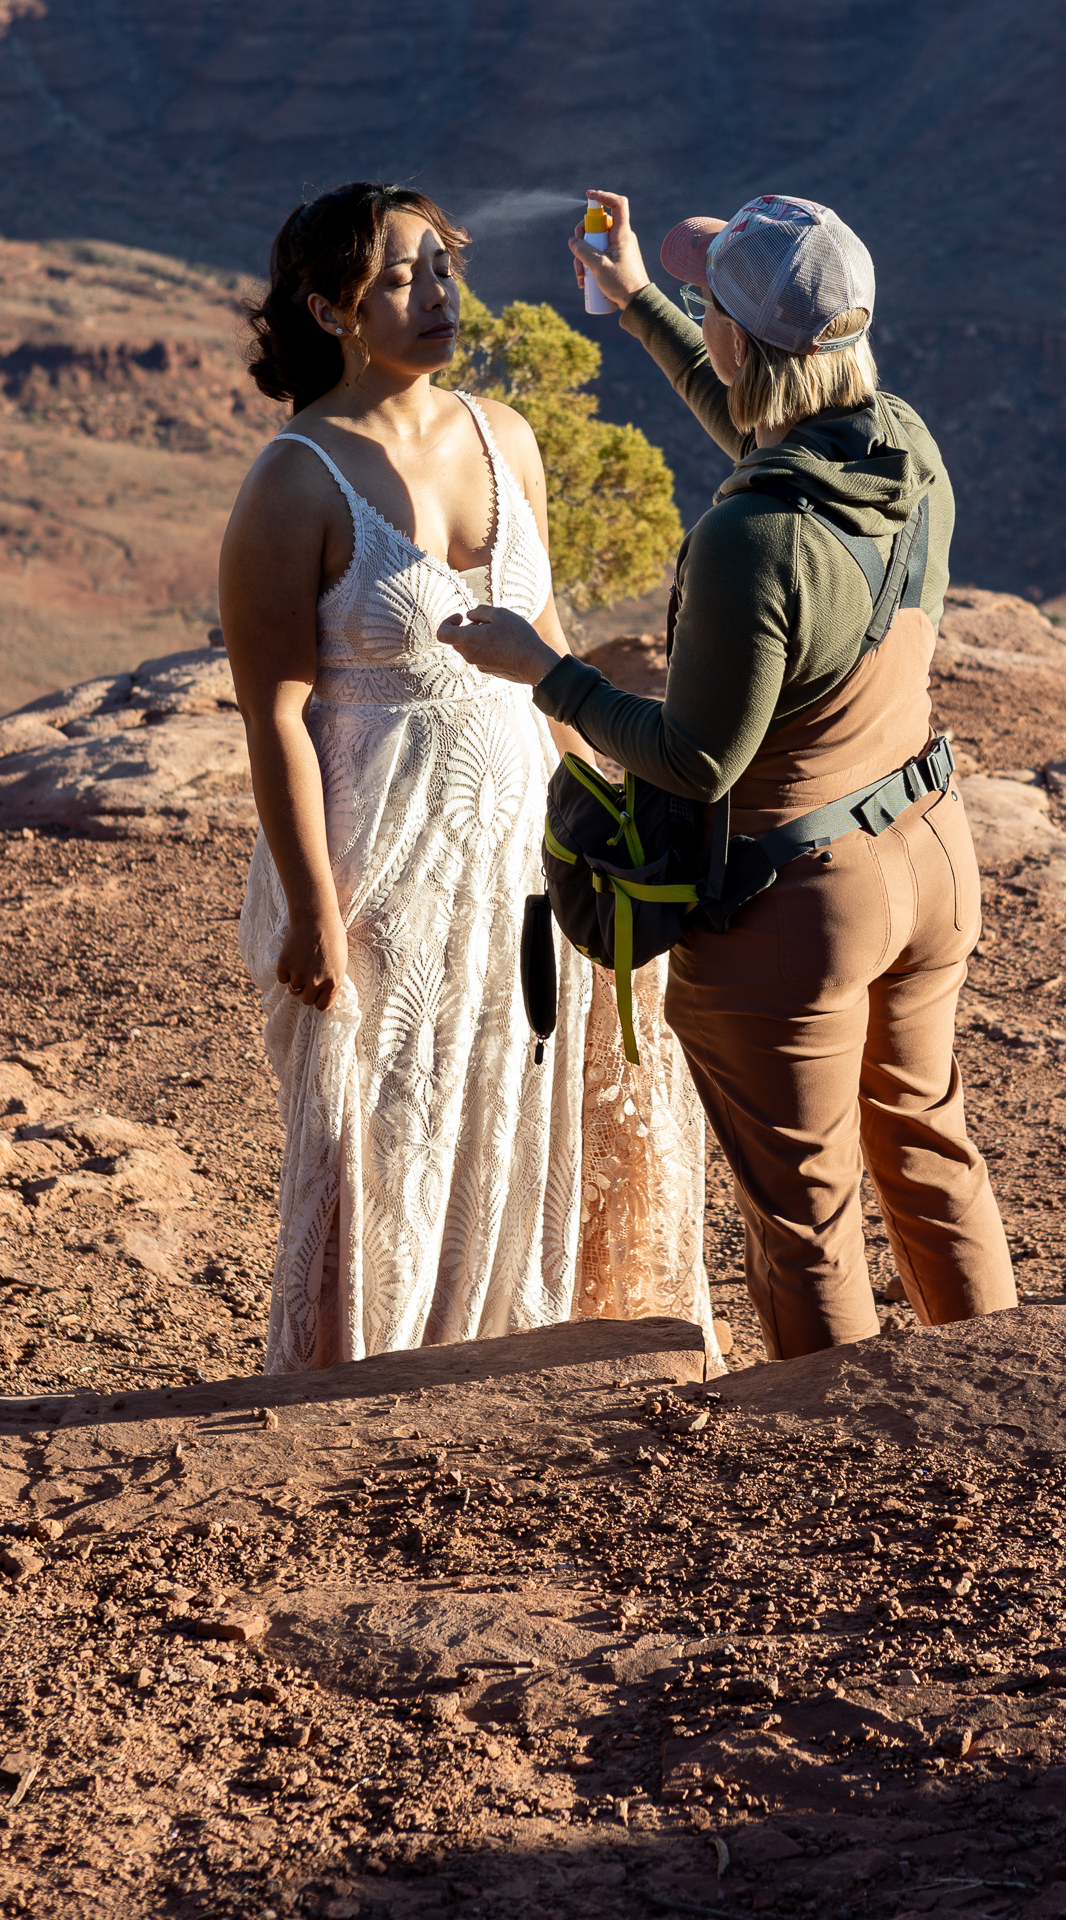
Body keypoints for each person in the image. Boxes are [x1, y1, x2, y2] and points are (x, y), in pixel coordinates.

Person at [439, 189, 1018, 1361]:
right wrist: (638, 302)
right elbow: (762, 429)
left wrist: (542, 668)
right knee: (927, 1147)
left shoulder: (752, 539)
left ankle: (841, 1471)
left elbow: (694, 760)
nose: (702, 317)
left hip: (798, 901)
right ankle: (1003, 1407)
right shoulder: (899, 441)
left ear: (743, 343)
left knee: (806, 1217)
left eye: (710, 305)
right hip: (929, 856)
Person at [220, 181, 716, 1372]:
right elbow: (274, 716)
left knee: (524, 1098)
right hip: (379, 863)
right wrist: (311, 911)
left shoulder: (507, 434)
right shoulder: (294, 480)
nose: (439, 292)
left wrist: (606, 819)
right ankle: (372, 1382)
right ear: (331, 308)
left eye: (443, 265)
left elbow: (544, 642)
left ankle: (526, 1356)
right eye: (403, 274)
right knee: (395, 1133)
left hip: (528, 848)